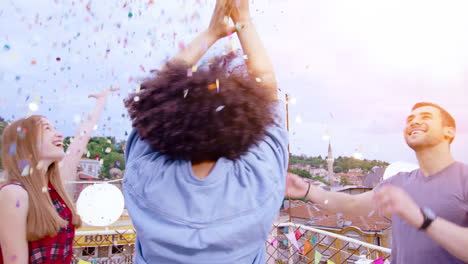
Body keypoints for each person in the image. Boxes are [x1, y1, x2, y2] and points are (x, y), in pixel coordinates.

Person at [122, 0, 288, 263]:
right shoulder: (258, 180)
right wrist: (243, 19)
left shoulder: (145, 176)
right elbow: (267, 88)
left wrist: (211, 33)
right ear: (244, 124)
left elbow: (150, 100)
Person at [286, 102, 468, 263]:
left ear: (449, 131)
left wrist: (422, 219)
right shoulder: (399, 182)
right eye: (410, 119)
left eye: (426, 117)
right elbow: (352, 203)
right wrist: (308, 189)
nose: (414, 122)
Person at [0, 88, 118, 263]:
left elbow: (80, 140)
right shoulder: (13, 194)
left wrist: (100, 103)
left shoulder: (52, 187)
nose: (59, 134)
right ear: (26, 142)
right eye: (47, 129)